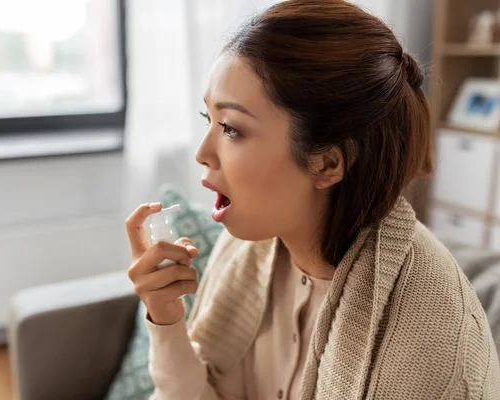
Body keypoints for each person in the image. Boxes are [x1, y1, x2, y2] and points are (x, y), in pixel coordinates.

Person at [125, 1, 500, 398]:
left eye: (231, 128)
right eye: (209, 120)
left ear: (328, 163)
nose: (202, 152)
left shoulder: (431, 337)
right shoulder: (245, 248)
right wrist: (165, 318)